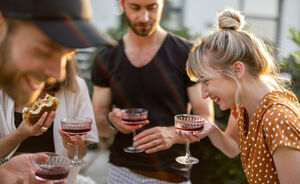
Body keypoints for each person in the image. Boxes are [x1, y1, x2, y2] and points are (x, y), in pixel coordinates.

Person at [92, 0, 214, 183]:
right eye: (135, 7)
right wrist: (112, 122)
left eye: (152, 7)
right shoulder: (106, 57)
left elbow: (206, 118)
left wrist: (173, 134)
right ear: (122, 4)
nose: (144, 17)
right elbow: (99, 122)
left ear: (162, 3)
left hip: (171, 176)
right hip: (119, 172)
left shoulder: (187, 53)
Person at [0, 0, 115, 183]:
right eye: (45, 51)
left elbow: (80, 152)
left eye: (68, 55)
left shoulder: (74, 86)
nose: (58, 74)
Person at [185, 9, 300, 184]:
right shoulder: (241, 106)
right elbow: (232, 148)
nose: (204, 93)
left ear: (237, 70)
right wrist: (212, 129)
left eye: (206, 81)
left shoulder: (278, 118)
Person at [0, 59, 99, 184]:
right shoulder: (3, 86)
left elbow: (80, 154)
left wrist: (74, 145)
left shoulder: (76, 87)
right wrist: (20, 134)